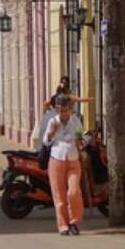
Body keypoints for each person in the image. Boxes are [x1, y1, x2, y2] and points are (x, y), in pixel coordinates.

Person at [43, 95, 85, 236]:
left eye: (65, 110)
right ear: (56, 109)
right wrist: (52, 133)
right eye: (60, 110)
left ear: (70, 109)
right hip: (56, 159)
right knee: (59, 196)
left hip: (73, 159)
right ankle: (63, 226)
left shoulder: (76, 121)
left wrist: (81, 141)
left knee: (73, 192)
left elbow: (82, 140)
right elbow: (46, 142)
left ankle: (74, 221)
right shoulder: (52, 122)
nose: (63, 113)